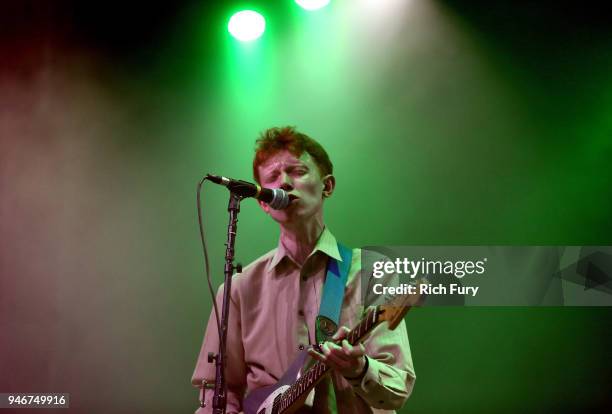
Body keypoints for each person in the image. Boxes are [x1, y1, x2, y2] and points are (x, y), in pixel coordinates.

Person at [192, 126, 415, 413]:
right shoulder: (238, 289)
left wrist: (359, 369)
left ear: (328, 185)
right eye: (272, 177)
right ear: (263, 202)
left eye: (297, 171)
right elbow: (217, 396)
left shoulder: (374, 272)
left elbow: (397, 391)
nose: (283, 182)